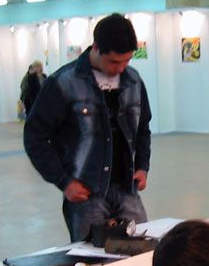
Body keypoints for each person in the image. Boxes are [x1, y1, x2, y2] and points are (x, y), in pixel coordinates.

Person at [23, 13, 151, 241]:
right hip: (86, 196)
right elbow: (35, 137)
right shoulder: (63, 83)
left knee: (141, 252)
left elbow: (143, 128)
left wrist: (142, 166)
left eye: (127, 61)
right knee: (90, 257)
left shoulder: (133, 80)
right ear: (96, 48)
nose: (121, 68)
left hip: (127, 190)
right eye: (114, 62)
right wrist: (63, 181)